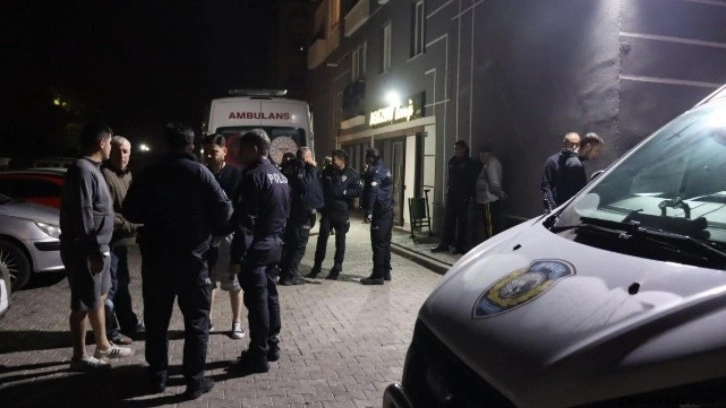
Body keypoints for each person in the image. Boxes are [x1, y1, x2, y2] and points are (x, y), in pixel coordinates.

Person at [123, 123, 232, 399]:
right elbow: (224, 211)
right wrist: (208, 231)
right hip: (192, 261)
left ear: (166, 144)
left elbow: (130, 210)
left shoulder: (150, 173)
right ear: (192, 145)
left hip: (156, 259)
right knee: (197, 322)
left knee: (156, 321)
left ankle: (157, 376)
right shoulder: (201, 173)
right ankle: (194, 381)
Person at [60, 122, 134, 372]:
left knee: (99, 298)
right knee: (82, 303)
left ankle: (103, 345)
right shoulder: (82, 170)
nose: (111, 148)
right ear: (102, 143)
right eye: (110, 143)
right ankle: (79, 356)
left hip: (100, 246)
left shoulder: (94, 169)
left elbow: (101, 211)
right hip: (85, 250)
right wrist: (92, 251)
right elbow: (83, 215)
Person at [227, 129, 290, 375]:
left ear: (254, 149)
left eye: (241, 149)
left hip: (257, 247)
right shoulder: (279, 176)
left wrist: (236, 258)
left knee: (257, 302)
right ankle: (272, 345)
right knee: (271, 295)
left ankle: (258, 354)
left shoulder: (253, 177)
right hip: (275, 244)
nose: (238, 154)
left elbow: (246, 223)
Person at [202, 134, 245, 339]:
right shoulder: (202, 172)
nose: (209, 155)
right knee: (207, 281)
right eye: (206, 152)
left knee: (234, 283)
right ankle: (208, 320)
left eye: (214, 151)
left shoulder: (235, 174)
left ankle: (237, 322)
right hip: (207, 236)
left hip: (229, 235)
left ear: (224, 151)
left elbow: (241, 206)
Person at [101, 136, 143, 345]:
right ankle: (111, 331)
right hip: (109, 241)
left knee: (122, 285)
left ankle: (129, 324)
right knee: (110, 288)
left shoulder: (127, 175)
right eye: (117, 151)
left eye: (125, 151)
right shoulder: (105, 175)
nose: (122, 156)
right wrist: (135, 225)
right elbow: (108, 215)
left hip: (122, 243)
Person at [307, 149, 361, 280]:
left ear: (342, 160)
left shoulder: (352, 174)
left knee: (340, 240)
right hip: (327, 211)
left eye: (335, 159)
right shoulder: (327, 171)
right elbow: (320, 186)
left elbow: (358, 190)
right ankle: (317, 266)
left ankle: (337, 267)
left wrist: (345, 193)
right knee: (322, 239)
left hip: (342, 211)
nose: (332, 161)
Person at [279, 147, 324, 285]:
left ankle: (287, 273)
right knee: (298, 245)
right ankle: (290, 275)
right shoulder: (300, 169)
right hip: (300, 213)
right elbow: (306, 186)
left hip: (295, 212)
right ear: (306, 158)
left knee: (292, 245)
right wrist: (312, 169)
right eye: (310, 157)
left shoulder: (292, 167)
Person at [431, 140, 479, 254]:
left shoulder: (469, 163)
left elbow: (472, 181)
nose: (456, 151)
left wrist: (469, 195)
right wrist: (448, 189)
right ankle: (445, 244)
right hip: (452, 195)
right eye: (455, 149)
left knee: (462, 222)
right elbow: (451, 178)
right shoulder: (452, 161)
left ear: (464, 150)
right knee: (448, 220)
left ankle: (459, 246)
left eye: (458, 149)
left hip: (463, 196)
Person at [360, 148, 394, 285]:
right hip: (388, 211)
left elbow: (373, 191)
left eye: (367, 157)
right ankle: (386, 272)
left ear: (371, 158)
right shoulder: (384, 168)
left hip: (380, 212)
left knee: (378, 244)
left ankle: (377, 276)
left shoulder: (376, 172)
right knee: (385, 243)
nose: (366, 160)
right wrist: (366, 173)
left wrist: (369, 211)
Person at [541, 132, 581, 212]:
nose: (574, 147)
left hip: (574, 208)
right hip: (557, 208)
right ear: (565, 144)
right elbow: (546, 186)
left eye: (577, 144)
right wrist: (551, 207)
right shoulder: (552, 161)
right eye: (571, 144)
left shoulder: (579, 162)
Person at [475, 146, 507, 240]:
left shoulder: (490, 165)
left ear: (487, 154)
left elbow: (494, 183)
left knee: (490, 226)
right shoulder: (490, 163)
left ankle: (490, 243)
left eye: (482, 156)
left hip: (488, 199)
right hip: (489, 198)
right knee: (492, 224)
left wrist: (500, 193)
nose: (480, 158)